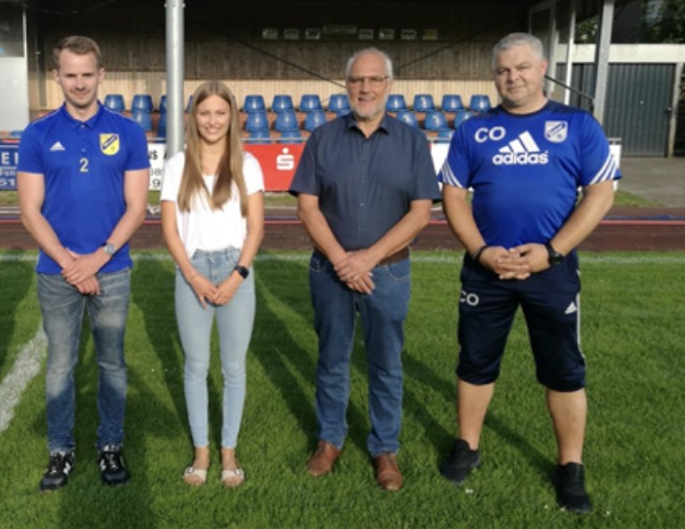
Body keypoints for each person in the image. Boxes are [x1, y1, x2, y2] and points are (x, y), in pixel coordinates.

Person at [437, 32, 618, 514]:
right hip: (486, 271)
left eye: (520, 68)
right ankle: (467, 446)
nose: (511, 77)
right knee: (475, 362)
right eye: (502, 70)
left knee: (563, 370)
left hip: (550, 272)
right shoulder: (474, 129)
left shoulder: (576, 125)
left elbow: (600, 193)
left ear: (542, 70)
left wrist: (552, 252)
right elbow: (454, 196)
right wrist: (481, 252)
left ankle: (570, 466)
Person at [289, 48, 440, 491]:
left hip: (387, 273)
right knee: (332, 360)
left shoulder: (412, 142)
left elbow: (419, 214)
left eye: (374, 80)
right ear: (346, 85)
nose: (365, 88)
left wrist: (367, 259)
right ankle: (329, 440)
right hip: (329, 271)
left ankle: (384, 447)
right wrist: (341, 260)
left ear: (389, 85)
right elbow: (307, 207)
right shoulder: (322, 138)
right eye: (357, 80)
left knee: (386, 363)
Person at [16, 36, 150, 492]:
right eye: (69, 74)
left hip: (112, 269)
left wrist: (98, 258)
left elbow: (137, 206)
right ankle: (61, 451)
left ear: (101, 75)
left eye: (86, 74)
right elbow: (30, 211)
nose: (78, 82)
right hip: (56, 274)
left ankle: (110, 445)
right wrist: (70, 264)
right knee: (60, 365)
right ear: (57, 77)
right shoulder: (37, 135)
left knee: (112, 364)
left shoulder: (129, 132)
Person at [160, 81, 265, 488]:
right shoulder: (176, 165)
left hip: (235, 267)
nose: (212, 121)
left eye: (221, 113)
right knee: (197, 366)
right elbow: (169, 230)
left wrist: (238, 275)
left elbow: (256, 228)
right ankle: (201, 453)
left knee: (234, 367)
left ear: (232, 118)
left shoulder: (247, 164)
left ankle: (229, 453)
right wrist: (194, 276)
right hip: (192, 271)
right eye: (205, 113)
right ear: (193, 117)